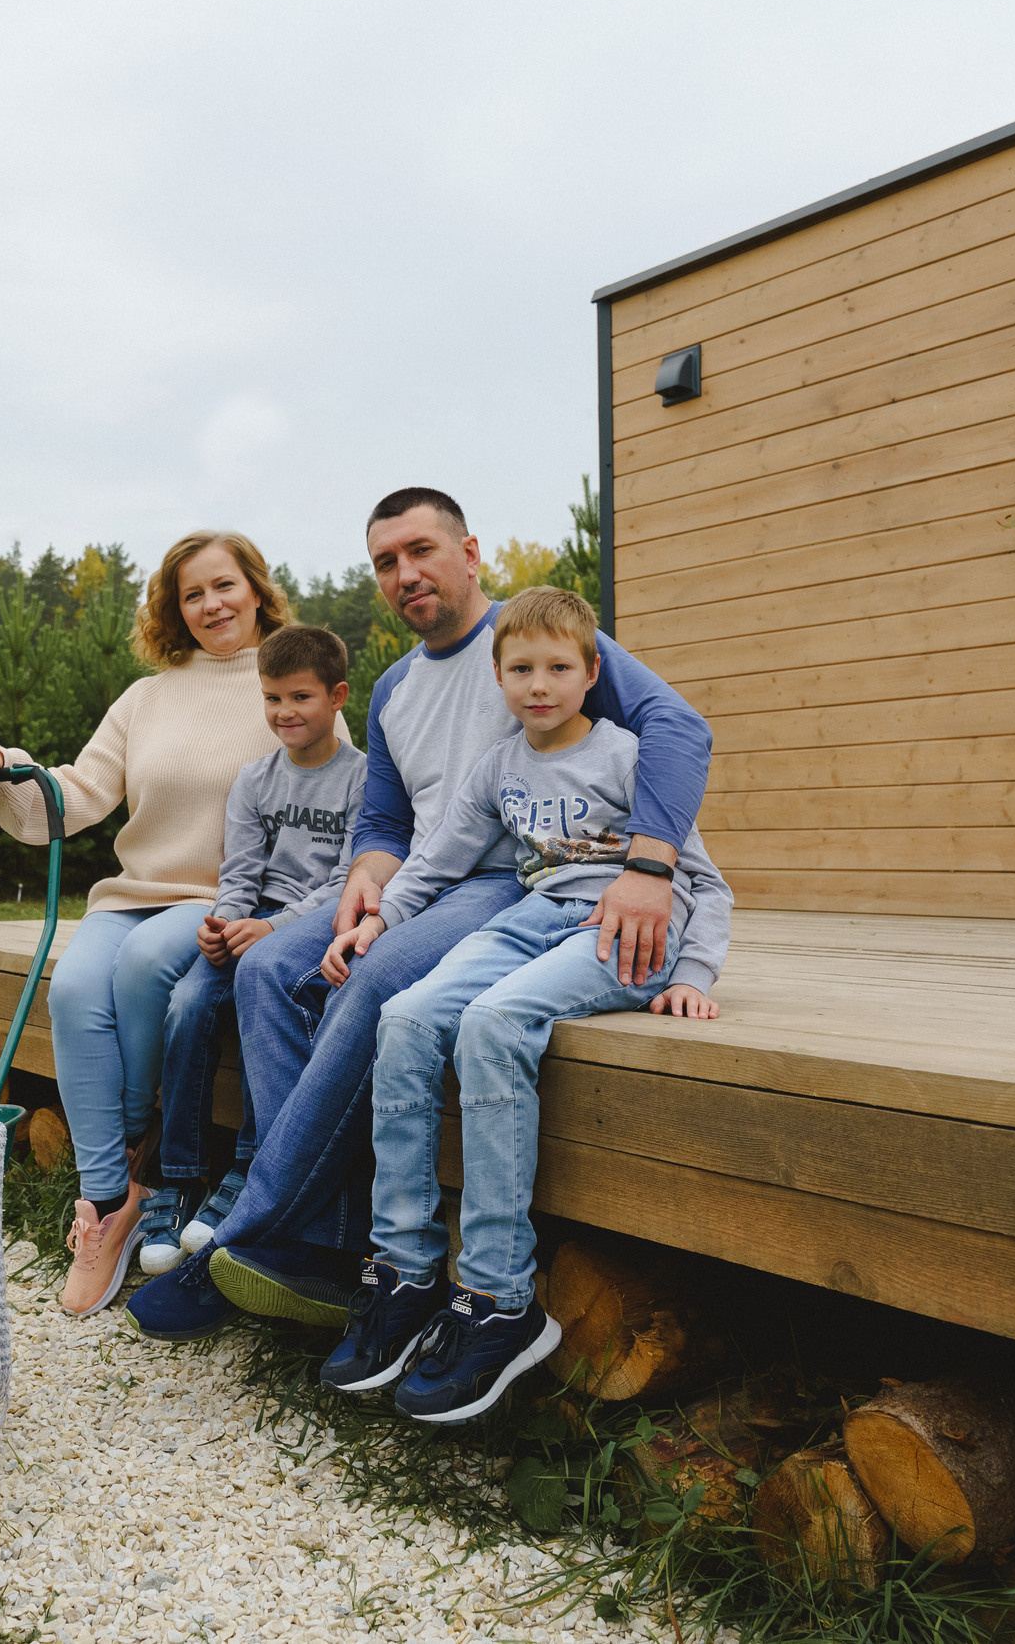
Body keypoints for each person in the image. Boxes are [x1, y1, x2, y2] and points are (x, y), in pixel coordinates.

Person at [127, 487, 713, 1342]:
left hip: (512, 878)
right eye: (386, 562)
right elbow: (387, 822)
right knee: (264, 968)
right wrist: (367, 877)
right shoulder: (397, 686)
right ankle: (323, 1245)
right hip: (417, 879)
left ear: (470, 554)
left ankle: (256, 1226)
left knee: (368, 981)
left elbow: (677, 725)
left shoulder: (530, 641)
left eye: (422, 551)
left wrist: (652, 865)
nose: (406, 574)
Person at [316, 586, 728, 1422]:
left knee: (494, 1024)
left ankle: (501, 1297)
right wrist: (381, 919)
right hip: (535, 916)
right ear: (497, 678)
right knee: (405, 1015)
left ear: (591, 672)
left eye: (558, 668)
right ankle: (402, 1267)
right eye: (520, 669)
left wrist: (697, 974)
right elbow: (435, 861)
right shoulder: (499, 766)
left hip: (621, 934)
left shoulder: (626, 755)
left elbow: (707, 881)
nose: (539, 685)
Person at [0, 532, 347, 1316]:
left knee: (143, 965)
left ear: (256, 589)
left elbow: (335, 802)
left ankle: (129, 1142)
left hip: (231, 895)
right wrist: (4, 763)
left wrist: (289, 914)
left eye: (224, 586)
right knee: (74, 986)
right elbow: (77, 793)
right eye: (192, 594)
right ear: (174, 608)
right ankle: (107, 1201)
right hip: (133, 890)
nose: (211, 605)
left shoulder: (287, 682)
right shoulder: (146, 696)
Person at [136, 623, 364, 1275]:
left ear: (338, 695)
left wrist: (277, 928)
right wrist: (225, 920)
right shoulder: (255, 779)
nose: (285, 713)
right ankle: (177, 1177)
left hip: (317, 924)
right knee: (186, 1003)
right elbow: (239, 870)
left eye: (300, 697)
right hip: (252, 922)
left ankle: (248, 1169)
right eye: (272, 699)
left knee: (271, 1000)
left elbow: (352, 876)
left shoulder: (363, 779)